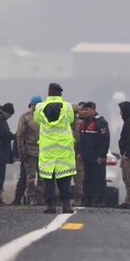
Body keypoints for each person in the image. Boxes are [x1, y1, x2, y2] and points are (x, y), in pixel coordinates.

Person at [34, 83, 76, 214]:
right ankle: (66, 205)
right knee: (65, 178)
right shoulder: (68, 107)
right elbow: (71, 120)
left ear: (48, 92)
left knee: (48, 179)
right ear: (60, 93)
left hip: (47, 148)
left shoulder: (39, 107)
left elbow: (37, 121)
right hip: (64, 148)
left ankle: (51, 205)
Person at [14, 95, 45, 206]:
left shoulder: (45, 116)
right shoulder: (25, 117)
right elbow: (20, 135)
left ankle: (40, 197)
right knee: (30, 177)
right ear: (31, 105)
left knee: (43, 177)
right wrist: (22, 151)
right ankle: (31, 197)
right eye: (35, 105)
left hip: (43, 151)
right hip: (30, 151)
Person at [78, 102, 110, 207]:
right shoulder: (83, 123)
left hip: (97, 156)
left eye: (87, 110)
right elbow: (81, 140)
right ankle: (88, 198)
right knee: (87, 178)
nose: (85, 112)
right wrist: (80, 152)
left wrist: (102, 155)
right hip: (87, 156)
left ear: (93, 110)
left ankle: (99, 200)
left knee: (99, 178)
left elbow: (105, 140)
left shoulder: (100, 122)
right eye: (84, 109)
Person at [73, 101, 86, 205]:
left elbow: (80, 139)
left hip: (78, 152)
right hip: (68, 152)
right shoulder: (68, 123)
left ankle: (79, 197)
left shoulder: (82, 123)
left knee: (79, 176)